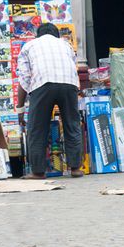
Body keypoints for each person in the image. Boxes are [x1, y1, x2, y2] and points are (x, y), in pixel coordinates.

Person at [16, 24, 82, 179]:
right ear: (57, 35)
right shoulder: (66, 45)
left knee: (37, 128)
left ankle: (38, 171)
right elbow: (74, 67)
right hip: (69, 83)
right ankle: (75, 168)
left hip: (43, 83)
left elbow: (24, 78)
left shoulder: (29, 46)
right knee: (72, 124)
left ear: (37, 35)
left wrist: (20, 109)